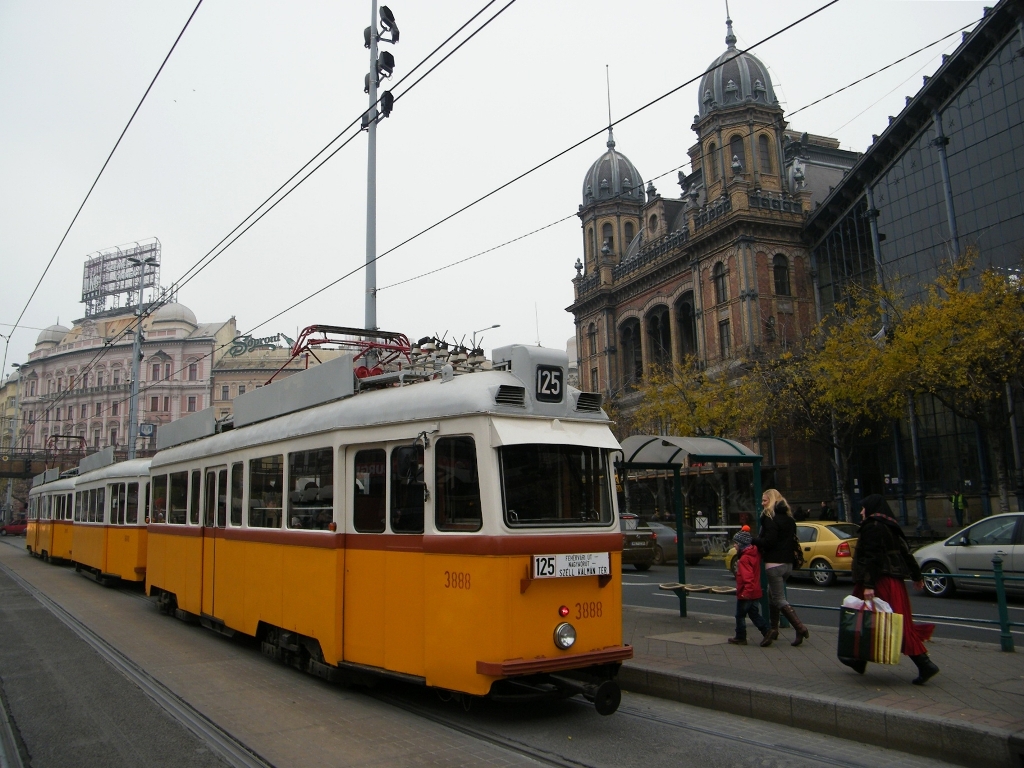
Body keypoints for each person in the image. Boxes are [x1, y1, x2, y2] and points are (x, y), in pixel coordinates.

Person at [844, 494, 939, 685]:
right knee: (872, 619)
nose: (861, 511)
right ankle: (859, 660)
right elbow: (904, 551)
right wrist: (917, 575)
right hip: (892, 580)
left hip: (880, 581)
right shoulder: (890, 524)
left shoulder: (873, 526)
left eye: (863, 508)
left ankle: (925, 664)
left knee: (886, 622)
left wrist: (869, 585)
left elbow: (873, 556)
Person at [754, 489, 810, 647]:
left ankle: (800, 628)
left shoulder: (769, 517)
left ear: (771, 501)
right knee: (773, 595)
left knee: (778, 598)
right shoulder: (789, 518)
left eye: (765, 500)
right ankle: (774, 629)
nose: (762, 503)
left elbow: (769, 541)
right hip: (788, 564)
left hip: (774, 563)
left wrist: (754, 540)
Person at [728, 529, 771, 646]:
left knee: (740, 615)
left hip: (746, 592)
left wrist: (745, 592)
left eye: (736, 543)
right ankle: (767, 631)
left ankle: (741, 637)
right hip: (755, 590)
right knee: (754, 613)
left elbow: (747, 578)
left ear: (741, 544)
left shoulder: (744, 559)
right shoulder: (755, 554)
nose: (734, 545)